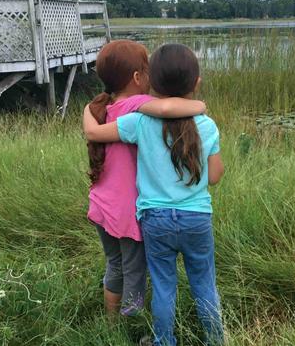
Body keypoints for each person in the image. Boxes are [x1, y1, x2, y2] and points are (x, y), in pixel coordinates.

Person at [84, 43, 225, 346]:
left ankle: (163, 341)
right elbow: (214, 177)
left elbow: (97, 133)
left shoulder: (140, 122)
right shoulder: (208, 126)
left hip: (154, 220)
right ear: (196, 83)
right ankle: (214, 340)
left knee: (163, 286)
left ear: (152, 83)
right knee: (204, 284)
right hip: (197, 219)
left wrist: (88, 110)